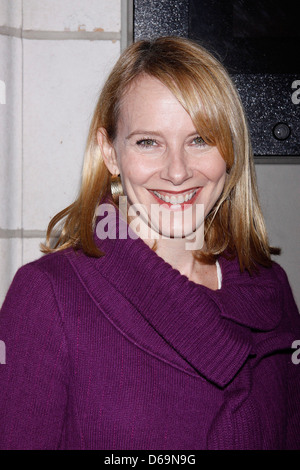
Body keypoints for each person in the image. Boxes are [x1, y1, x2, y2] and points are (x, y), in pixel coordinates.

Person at [0, 36, 299, 450]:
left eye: (200, 140)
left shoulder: (271, 286)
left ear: (230, 152)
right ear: (110, 154)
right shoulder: (48, 296)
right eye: (148, 142)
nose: (177, 172)